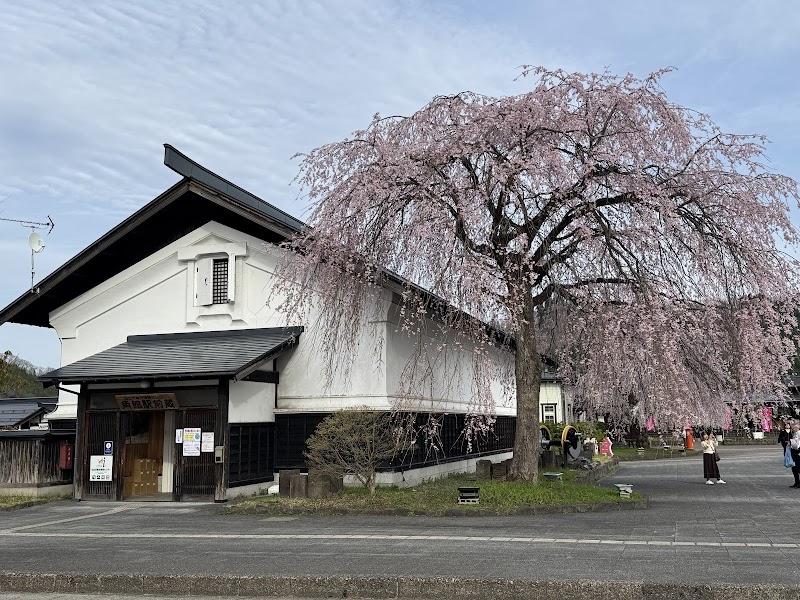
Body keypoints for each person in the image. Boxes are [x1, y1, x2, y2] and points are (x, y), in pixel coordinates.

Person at [789, 424, 800, 489]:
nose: (793, 429)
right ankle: (797, 481)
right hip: (794, 452)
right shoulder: (795, 434)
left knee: (798, 467)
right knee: (794, 468)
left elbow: (797, 443)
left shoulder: (799, 433)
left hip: (798, 452)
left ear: (797, 428)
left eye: (794, 428)